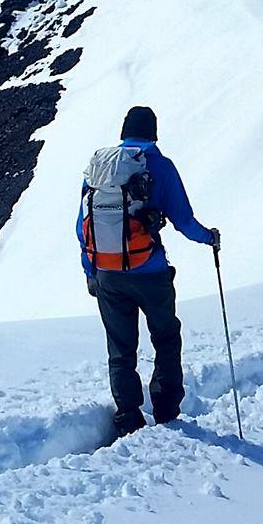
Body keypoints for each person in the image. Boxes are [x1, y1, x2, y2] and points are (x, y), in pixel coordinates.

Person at [76, 105, 219, 438]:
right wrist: (209, 238)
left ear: (123, 131)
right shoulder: (159, 166)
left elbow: (81, 225)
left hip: (107, 272)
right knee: (166, 337)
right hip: (150, 270)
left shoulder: (98, 168)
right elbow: (183, 220)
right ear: (154, 133)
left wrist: (91, 271)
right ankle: (166, 409)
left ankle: (128, 415)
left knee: (120, 346)